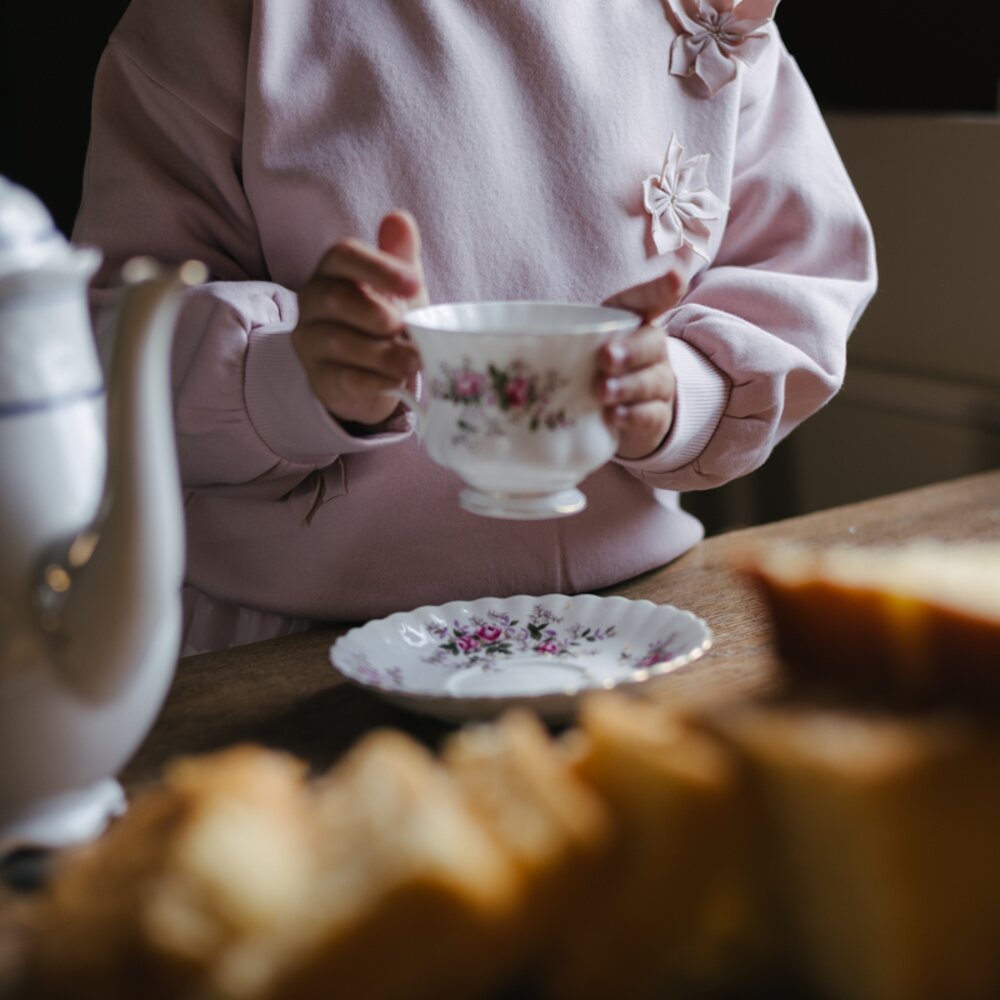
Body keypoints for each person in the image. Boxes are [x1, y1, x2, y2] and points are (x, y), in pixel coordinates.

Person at [73, 0, 876, 655]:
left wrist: (682, 390)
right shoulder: (218, 19)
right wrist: (292, 379)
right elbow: (114, 337)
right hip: (297, 644)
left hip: (635, 616)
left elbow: (800, 272)